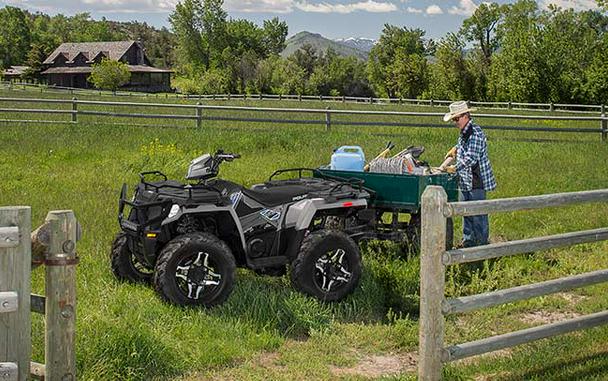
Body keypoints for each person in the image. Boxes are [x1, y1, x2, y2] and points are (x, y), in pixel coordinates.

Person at [443, 101, 496, 248]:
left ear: (466, 116)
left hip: (476, 178)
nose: (455, 122)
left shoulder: (476, 133)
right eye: (454, 119)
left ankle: (481, 244)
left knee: (478, 213)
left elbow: (471, 157)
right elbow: (463, 147)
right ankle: (468, 241)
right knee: (465, 211)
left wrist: (454, 167)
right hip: (465, 178)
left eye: (456, 118)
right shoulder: (465, 132)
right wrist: (455, 149)